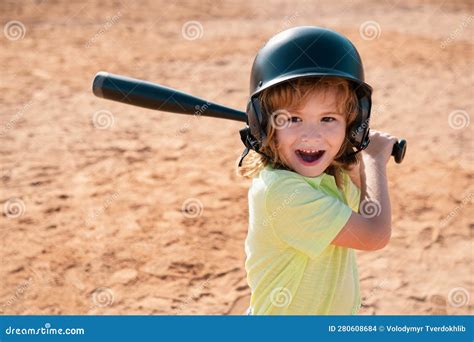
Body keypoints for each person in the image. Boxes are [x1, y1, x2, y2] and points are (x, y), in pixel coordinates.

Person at [237, 26, 399, 315]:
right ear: (263, 124)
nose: (312, 136)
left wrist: (353, 157)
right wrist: (373, 159)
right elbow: (374, 233)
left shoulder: (328, 176)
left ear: (352, 123)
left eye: (328, 119)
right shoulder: (282, 192)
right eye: (294, 119)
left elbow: (369, 202)